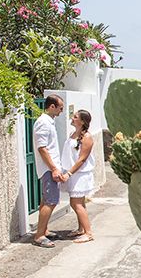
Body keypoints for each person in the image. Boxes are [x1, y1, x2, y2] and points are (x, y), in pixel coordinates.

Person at [32, 94, 65, 248]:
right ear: (52, 106)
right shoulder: (43, 123)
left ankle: (43, 230)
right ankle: (39, 236)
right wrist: (53, 168)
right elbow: (42, 148)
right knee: (51, 201)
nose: (61, 111)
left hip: (50, 167)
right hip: (48, 168)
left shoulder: (48, 122)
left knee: (46, 200)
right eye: (60, 108)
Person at [60, 109, 95, 243]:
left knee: (76, 203)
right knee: (77, 202)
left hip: (79, 174)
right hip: (73, 173)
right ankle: (81, 229)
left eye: (75, 117)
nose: (72, 118)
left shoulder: (87, 137)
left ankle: (88, 232)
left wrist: (69, 173)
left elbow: (82, 159)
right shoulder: (73, 134)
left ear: (82, 121)